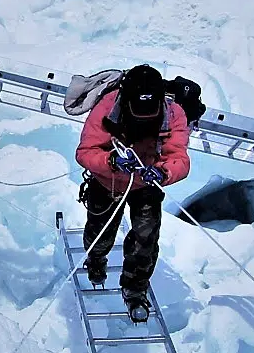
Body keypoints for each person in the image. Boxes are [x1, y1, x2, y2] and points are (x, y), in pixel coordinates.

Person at [74, 65, 191, 323]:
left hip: (148, 182)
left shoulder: (173, 114)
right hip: (108, 181)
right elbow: (85, 151)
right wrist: (111, 161)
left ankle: (135, 289)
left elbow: (179, 157)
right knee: (100, 232)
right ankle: (96, 260)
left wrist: (163, 173)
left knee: (146, 238)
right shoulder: (107, 107)